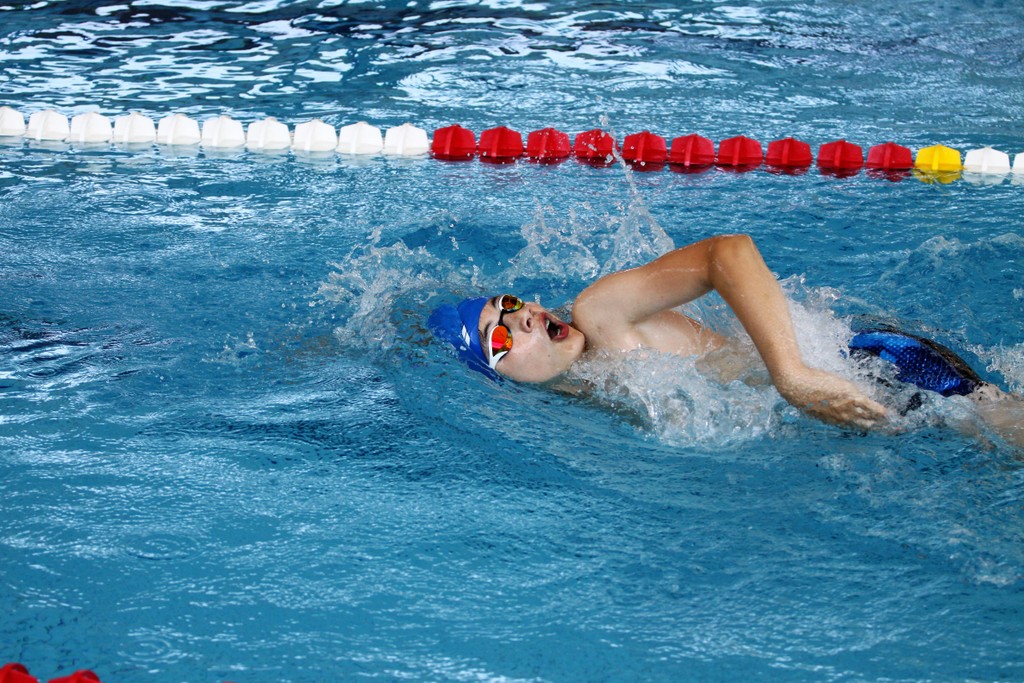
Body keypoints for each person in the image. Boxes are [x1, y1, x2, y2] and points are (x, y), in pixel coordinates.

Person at [430, 233, 1022, 441]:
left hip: (881, 366)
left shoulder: (599, 313)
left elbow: (729, 252)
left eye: (510, 305)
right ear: (497, 382)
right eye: (500, 338)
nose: (523, 317)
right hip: (859, 398)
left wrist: (792, 377)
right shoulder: (580, 391)